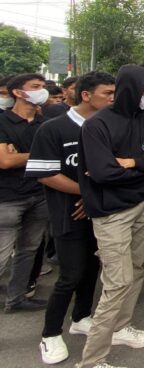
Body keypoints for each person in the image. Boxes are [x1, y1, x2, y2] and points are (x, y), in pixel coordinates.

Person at [76, 64, 144, 368]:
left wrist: (132, 164)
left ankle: (121, 328)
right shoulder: (97, 125)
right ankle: (92, 360)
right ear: (131, 90)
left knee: (137, 268)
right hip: (112, 213)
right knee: (116, 284)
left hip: (143, 204)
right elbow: (102, 174)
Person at [26, 72, 116, 364]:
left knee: (92, 268)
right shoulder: (54, 128)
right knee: (70, 274)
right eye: (107, 93)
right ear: (86, 95)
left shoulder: (107, 125)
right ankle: (50, 334)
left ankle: (81, 317)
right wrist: (87, 194)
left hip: (100, 212)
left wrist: (95, 199)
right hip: (68, 214)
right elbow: (46, 174)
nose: (113, 98)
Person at [0, 73, 49, 312]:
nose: (42, 91)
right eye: (36, 87)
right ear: (18, 92)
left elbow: (56, 157)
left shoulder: (44, 124)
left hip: (39, 194)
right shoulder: (2, 122)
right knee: (2, 255)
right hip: (7, 199)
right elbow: (5, 161)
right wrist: (40, 155)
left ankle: (16, 298)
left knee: (28, 250)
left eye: (42, 86)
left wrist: (21, 155)